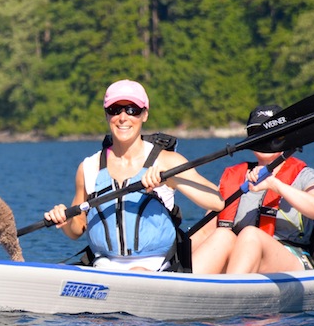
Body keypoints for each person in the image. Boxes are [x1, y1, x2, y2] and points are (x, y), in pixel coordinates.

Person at [45, 79, 224, 271]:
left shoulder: (167, 161)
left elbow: (217, 202)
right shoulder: (88, 167)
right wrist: (64, 220)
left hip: (157, 268)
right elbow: (77, 229)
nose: (123, 117)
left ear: (144, 114)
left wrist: (172, 178)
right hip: (104, 265)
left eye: (132, 110)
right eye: (115, 109)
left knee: (137, 272)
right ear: (106, 115)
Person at [190, 104, 314, 274]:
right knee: (222, 235)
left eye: (270, 133)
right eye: (256, 133)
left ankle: (232, 292)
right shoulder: (233, 176)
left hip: (291, 258)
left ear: (283, 136)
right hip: (240, 259)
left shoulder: (306, 176)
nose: (263, 138)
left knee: (251, 234)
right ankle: (180, 287)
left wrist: (274, 184)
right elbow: (205, 231)